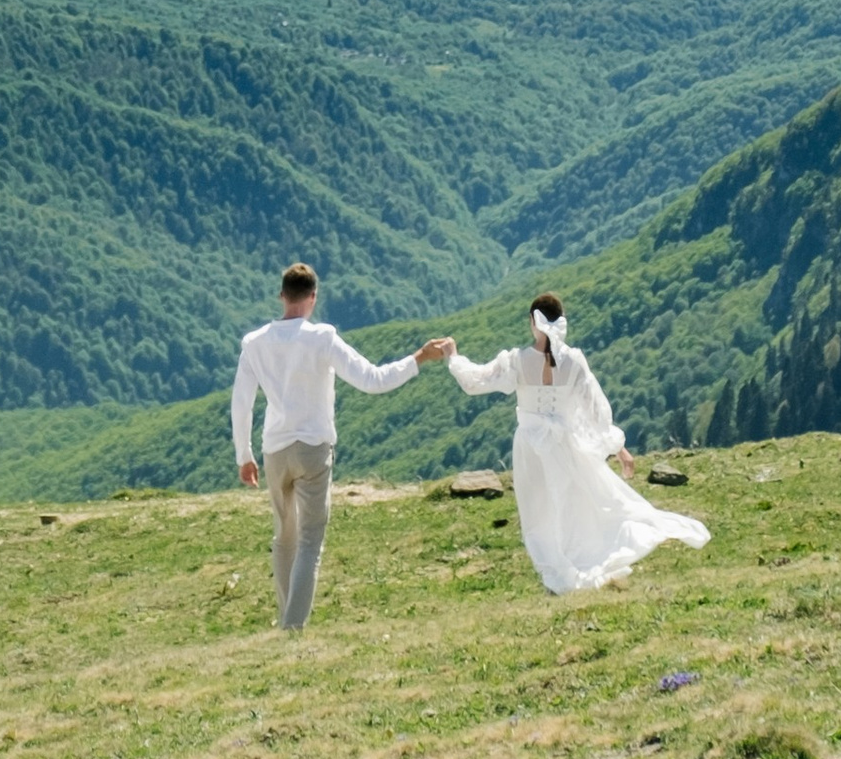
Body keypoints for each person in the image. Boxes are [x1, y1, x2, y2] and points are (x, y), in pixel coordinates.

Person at [233, 264, 455, 632]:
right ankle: (293, 626)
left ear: (282, 296)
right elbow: (372, 380)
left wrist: (244, 455)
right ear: (313, 297)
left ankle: (286, 617)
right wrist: (419, 357)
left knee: (284, 536)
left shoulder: (254, 343)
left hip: (274, 449)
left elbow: (241, 403)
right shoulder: (322, 338)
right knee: (310, 539)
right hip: (313, 447)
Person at [445, 292, 710, 594]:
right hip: (562, 444)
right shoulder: (573, 361)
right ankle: (575, 565)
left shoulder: (516, 361)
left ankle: (556, 574)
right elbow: (595, 409)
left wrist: (454, 356)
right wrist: (618, 448)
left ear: (532, 321)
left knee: (537, 513)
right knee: (572, 505)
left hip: (529, 447)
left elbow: (475, 381)